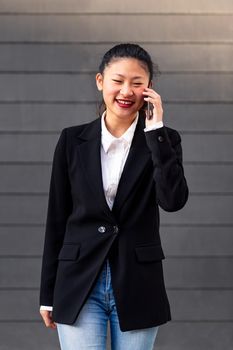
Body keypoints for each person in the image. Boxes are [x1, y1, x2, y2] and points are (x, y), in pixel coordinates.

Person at [39, 43, 189, 350]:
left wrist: (156, 130)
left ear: (149, 89)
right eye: (118, 81)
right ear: (100, 82)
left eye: (137, 84)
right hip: (79, 281)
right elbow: (57, 217)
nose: (126, 91)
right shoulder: (72, 140)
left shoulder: (164, 139)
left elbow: (173, 201)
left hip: (138, 281)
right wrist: (47, 293)